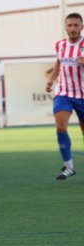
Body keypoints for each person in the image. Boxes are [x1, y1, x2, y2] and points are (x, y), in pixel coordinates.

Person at [46, 12, 84, 180]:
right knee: (60, 127)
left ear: (82, 27)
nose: (73, 28)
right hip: (64, 93)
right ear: (65, 27)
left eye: (76, 25)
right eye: (70, 25)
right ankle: (69, 167)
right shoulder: (60, 45)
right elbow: (58, 63)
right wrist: (51, 80)